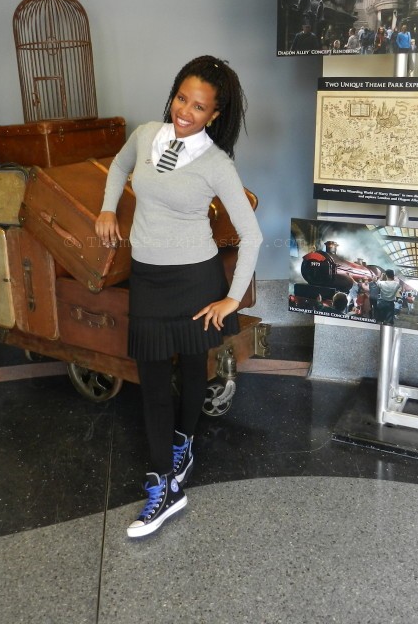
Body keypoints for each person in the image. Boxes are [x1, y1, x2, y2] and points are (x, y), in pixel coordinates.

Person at [95, 55, 262, 539]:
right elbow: (118, 166)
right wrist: (108, 210)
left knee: (192, 369)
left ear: (215, 114)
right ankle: (166, 479)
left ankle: (174, 463)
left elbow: (251, 235)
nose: (185, 111)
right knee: (151, 384)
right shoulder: (147, 134)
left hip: (195, 278)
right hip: (148, 278)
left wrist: (231, 298)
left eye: (199, 106)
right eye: (182, 97)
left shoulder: (216, 163)